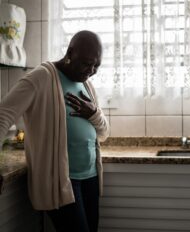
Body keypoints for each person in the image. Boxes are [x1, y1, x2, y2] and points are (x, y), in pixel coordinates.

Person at [0, 30, 110, 232]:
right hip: (61, 181)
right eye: (87, 63)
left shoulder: (87, 84)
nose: (92, 70)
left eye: (97, 65)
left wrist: (93, 113)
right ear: (70, 53)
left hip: (90, 178)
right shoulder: (41, 77)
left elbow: (104, 133)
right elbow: (4, 115)